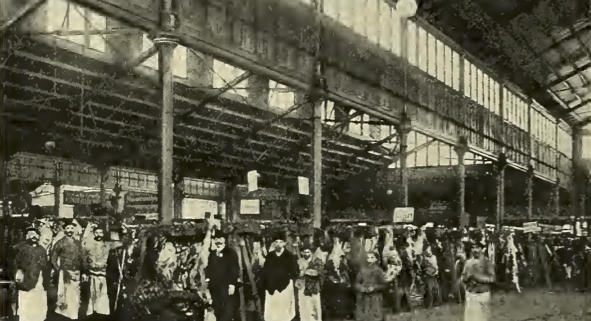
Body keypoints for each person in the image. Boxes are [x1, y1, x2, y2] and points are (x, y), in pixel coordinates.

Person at [259, 231, 298, 321]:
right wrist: (266, 285)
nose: (278, 244)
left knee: (284, 309)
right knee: (272, 310)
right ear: (273, 243)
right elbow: (265, 271)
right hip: (271, 287)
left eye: (280, 242)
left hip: (285, 286)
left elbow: (293, 271)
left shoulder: (289, 256)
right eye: (276, 242)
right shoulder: (270, 256)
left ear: (284, 243)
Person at [13, 226, 50, 321]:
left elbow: (45, 265)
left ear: (38, 236)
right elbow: (15, 263)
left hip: (39, 280)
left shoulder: (41, 249)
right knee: (25, 301)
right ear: (26, 236)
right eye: (30, 234)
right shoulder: (20, 248)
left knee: (37, 302)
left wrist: (46, 279)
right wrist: (18, 273)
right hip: (24, 278)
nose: (33, 236)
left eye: (35, 234)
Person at [51, 219, 84, 320]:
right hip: (65, 273)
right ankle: (64, 316)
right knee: (64, 295)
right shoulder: (59, 243)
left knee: (75, 296)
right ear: (64, 230)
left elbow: (82, 258)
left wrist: (83, 272)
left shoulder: (78, 243)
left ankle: (74, 315)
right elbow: (53, 259)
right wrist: (59, 270)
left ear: (74, 230)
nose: (70, 230)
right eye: (68, 228)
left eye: (71, 228)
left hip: (76, 273)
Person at [106, 226, 141, 321]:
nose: (128, 238)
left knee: (130, 302)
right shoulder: (116, 251)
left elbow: (137, 266)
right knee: (117, 302)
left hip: (131, 280)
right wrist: (115, 280)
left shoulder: (137, 250)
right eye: (125, 235)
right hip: (117, 280)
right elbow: (111, 267)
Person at [204, 231, 240, 321]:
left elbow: (234, 269)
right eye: (216, 239)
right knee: (216, 308)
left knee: (228, 309)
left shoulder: (230, 253)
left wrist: (232, 284)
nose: (218, 241)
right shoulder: (212, 254)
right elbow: (209, 267)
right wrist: (208, 279)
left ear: (224, 240)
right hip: (214, 286)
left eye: (220, 238)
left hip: (226, 286)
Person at [82, 223, 112, 320]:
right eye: (96, 233)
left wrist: (101, 264)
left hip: (103, 272)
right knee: (92, 293)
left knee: (102, 292)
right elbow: (85, 258)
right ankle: (91, 312)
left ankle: (101, 312)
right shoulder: (89, 244)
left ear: (103, 234)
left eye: (101, 232)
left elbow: (107, 258)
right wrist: (88, 266)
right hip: (91, 272)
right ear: (94, 234)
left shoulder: (106, 245)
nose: (98, 234)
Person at [461, 240, 495, 321]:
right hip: (470, 295)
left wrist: (478, 277)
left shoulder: (487, 262)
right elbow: (462, 277)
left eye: (477, 247)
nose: (475, 250)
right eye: (473, 247)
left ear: (482, 249)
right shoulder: (468, 262)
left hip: (482, 296)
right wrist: (465, 278)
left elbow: (492, 279)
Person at [295, 242, 324, 321]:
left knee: (315, 307)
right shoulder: (299, 261)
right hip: (303, 287)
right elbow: (296, 274)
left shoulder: (316, 261)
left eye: (308, 252)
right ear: (302, 253)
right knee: (304, 308)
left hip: (314, 287)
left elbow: (319, 272)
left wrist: (307, 271)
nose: (306, 254)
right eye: (304, 252)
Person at [354, 250, 385, 321]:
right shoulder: (362, 270)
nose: (369, 260)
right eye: (368, 258)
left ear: (376, 259)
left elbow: (383, 285)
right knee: (363, 317)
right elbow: (356, 283)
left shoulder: (378, 271)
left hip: (375, 298)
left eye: (372, 258)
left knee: (375, 316)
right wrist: (361, 288)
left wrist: (374, 288)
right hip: (363, 298)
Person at [422, 243, 441, 307]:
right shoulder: (427, 257)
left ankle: (434, 302)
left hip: (432, 274)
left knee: (433, 289)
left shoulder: (432, 257)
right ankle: (431, 303)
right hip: (430, 274)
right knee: (431, 289)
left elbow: (432, 265)